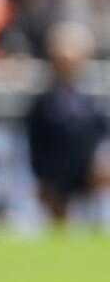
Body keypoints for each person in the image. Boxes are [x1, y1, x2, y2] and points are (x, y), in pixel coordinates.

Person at [25, 21, 109, 226]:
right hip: (54, 179)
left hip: (88, 176)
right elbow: (34, 145)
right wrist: (43, 179)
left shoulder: (91, 103)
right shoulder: (43, 105)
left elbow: (102, 137)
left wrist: (100, 163)